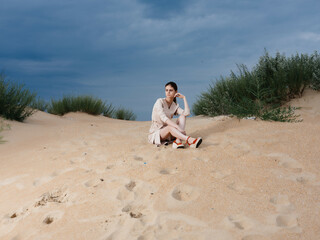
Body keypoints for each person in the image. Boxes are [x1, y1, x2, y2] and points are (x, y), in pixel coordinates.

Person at [148, 81, 202, 149]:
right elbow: (163, 118)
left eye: (170, 90)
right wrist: (177, 127)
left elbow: (187, 113)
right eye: (166, 90)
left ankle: (178, 141)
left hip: (169, 133)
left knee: (182, 116)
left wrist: (184, 98)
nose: (168, 92)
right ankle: (190, 140)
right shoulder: (159, 101)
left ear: (175, 92)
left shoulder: (174, 105)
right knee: (170, 127)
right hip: (157, 133)